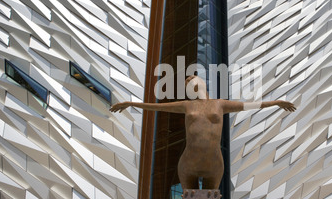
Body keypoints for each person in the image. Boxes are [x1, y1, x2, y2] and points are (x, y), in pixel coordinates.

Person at [110, 75, 296, 190]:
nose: (190, 81)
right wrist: (131, 103)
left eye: (193, 79)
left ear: (203, 83)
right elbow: (157, 107)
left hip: (214, 163)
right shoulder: (187, 105)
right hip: (188, 163)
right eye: (187, 82)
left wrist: (276, 102)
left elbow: (250, 105)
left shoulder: (220, 103)